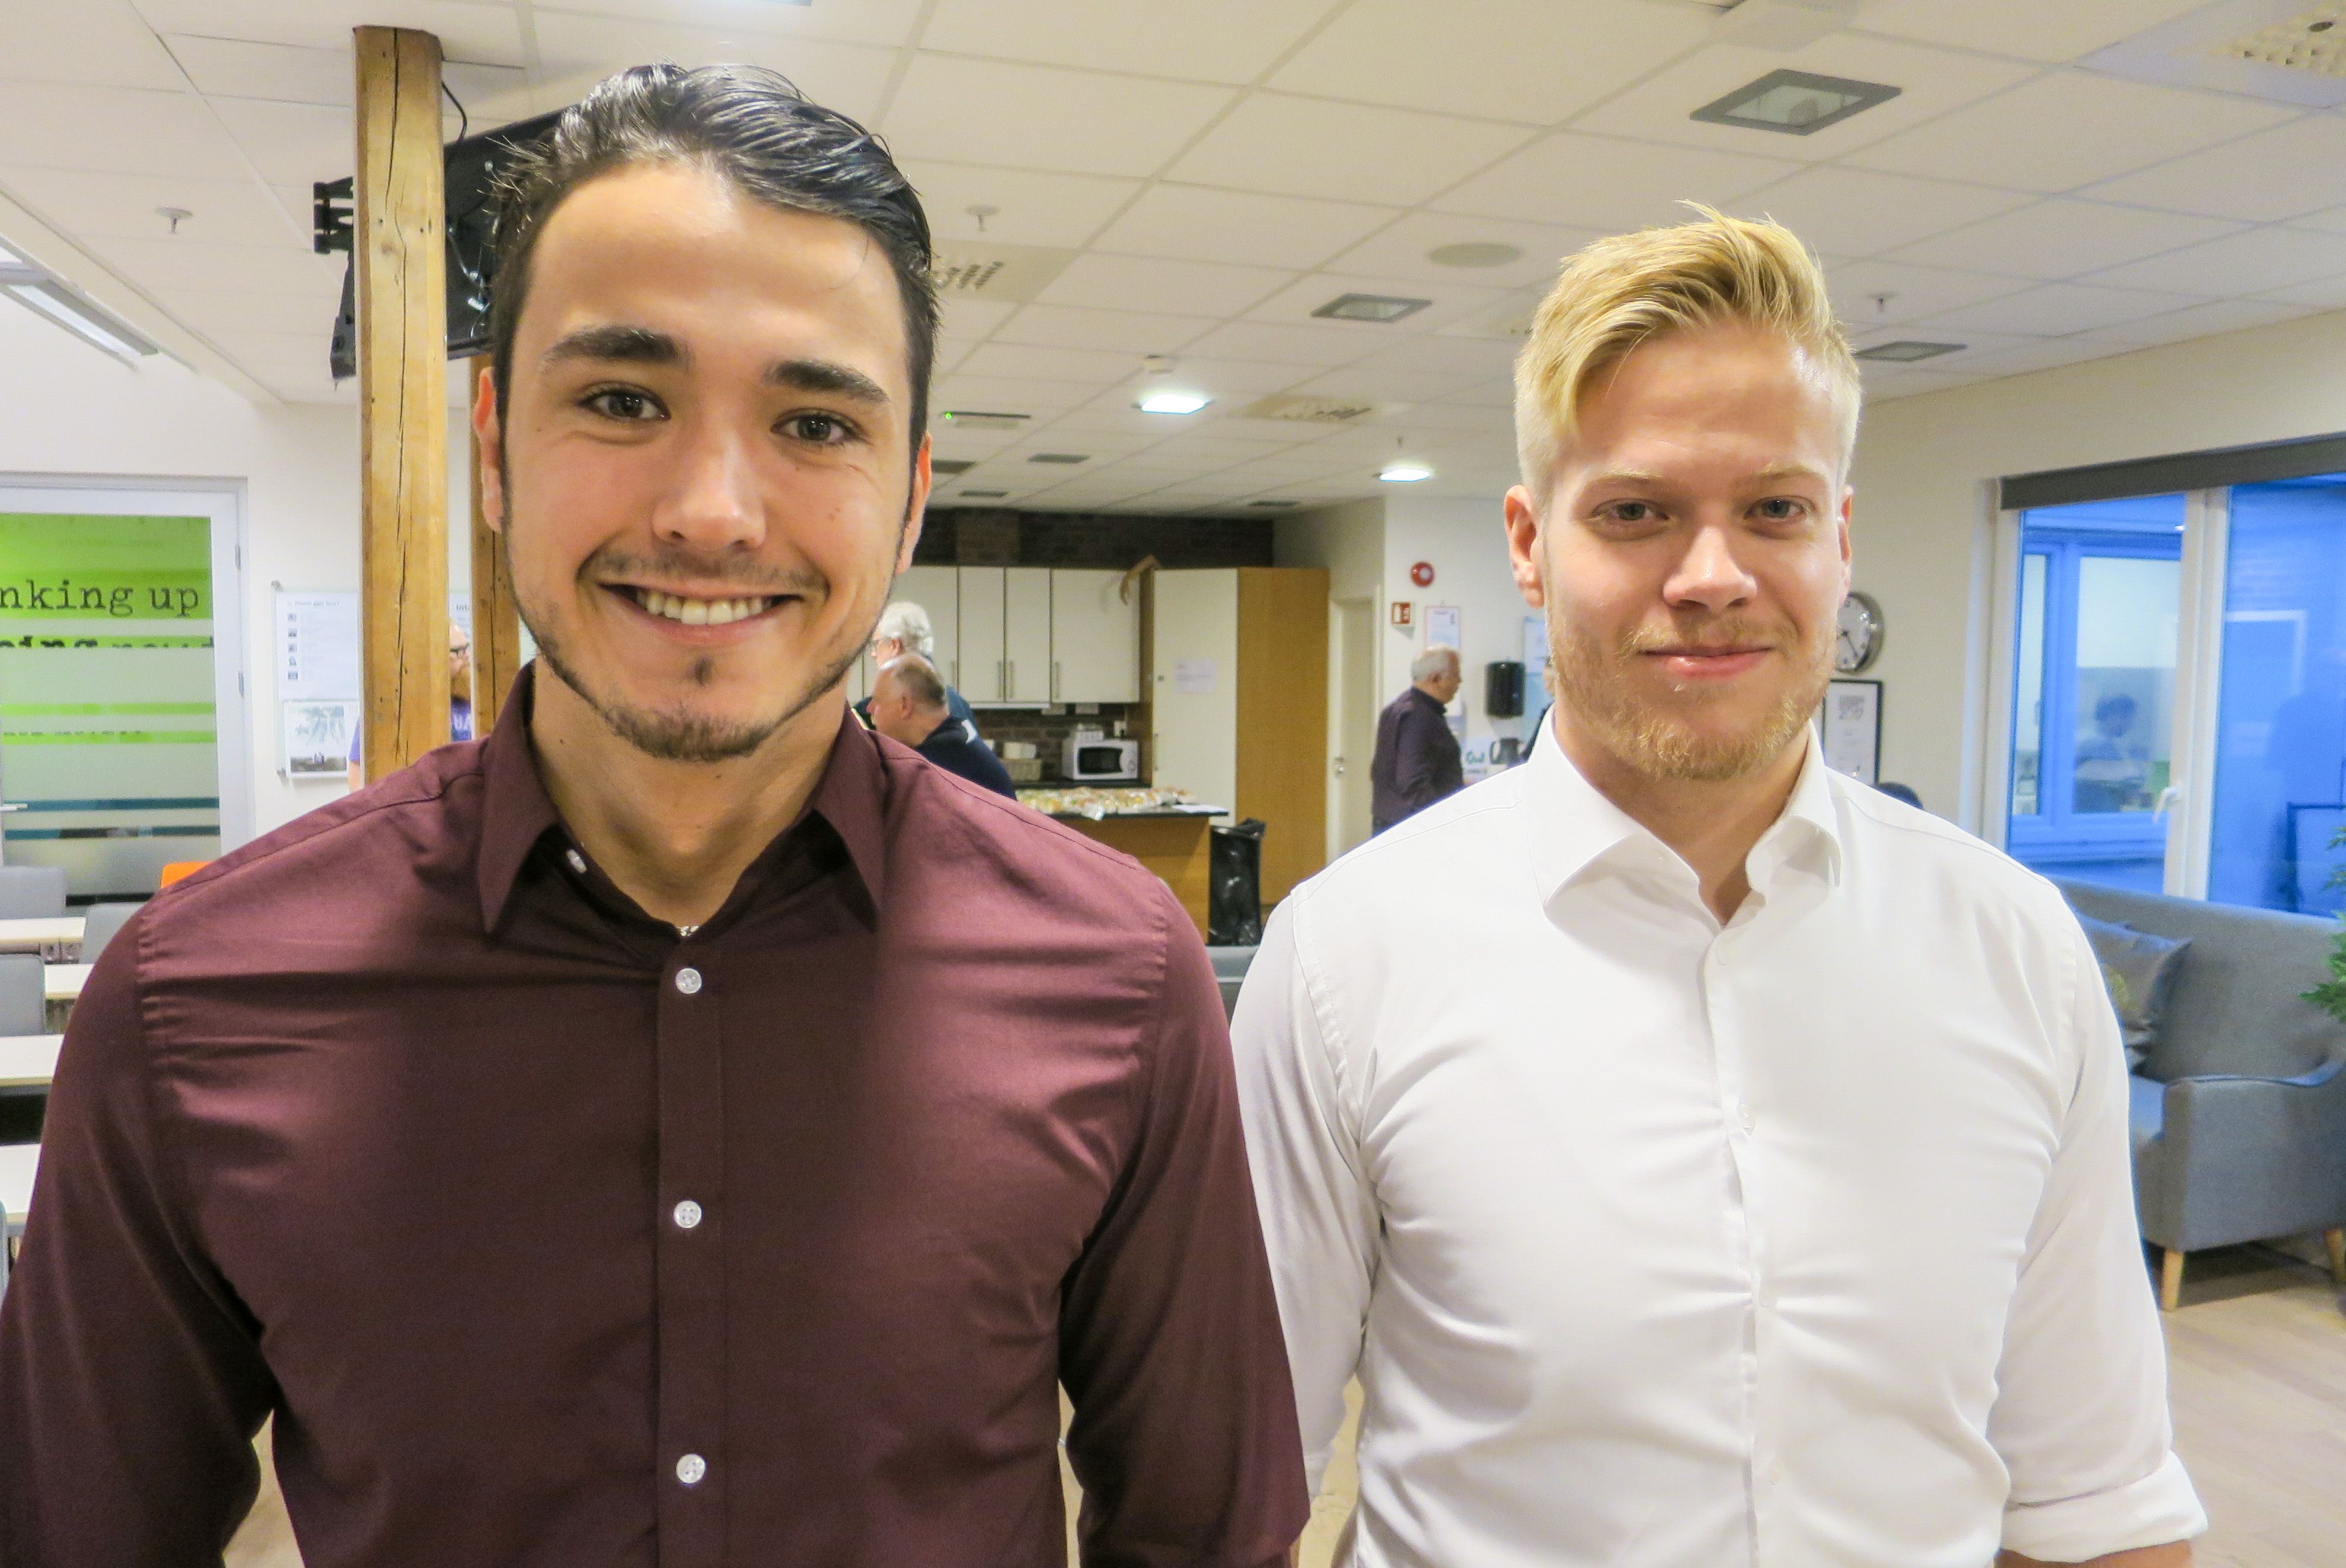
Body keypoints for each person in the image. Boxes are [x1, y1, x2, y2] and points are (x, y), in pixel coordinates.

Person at [0, 65, 1306, 1567]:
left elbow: (1209, 1535)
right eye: (623, 400)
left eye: (814, 420)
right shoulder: (193, 1003)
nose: (712, 511)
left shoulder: (1116, 975)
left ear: (908, 497)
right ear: (494, 444)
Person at [1233, 212, 2201, 1568]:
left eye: (1773, 509)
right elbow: (1233, 1493)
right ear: (1528, 540)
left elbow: (2096, 1501)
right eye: (1635, 511)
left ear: (1837, 535)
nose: (1711, 577)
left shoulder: (2013, 947)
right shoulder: (1346, 957)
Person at [346, 618, 475, 787]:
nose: (467, 657)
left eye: (466, 648)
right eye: (458, 652)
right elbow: (358, 767)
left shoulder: (475, 700)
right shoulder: (394, 705)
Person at [869, 653, 1015, 799]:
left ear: (905, 705)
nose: (869, 708)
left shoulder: (934, 764)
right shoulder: (955, 735)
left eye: (877, 701)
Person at [1368, 646, 1464, 831]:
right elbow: (1413, 782)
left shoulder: (1397, 709)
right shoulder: (1419, 717)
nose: (1460, 681)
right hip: (1413, 827)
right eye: (1456, 675)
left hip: (1393, 822)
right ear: (1435, 679)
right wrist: (1444, 819)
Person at [861, 599, 976, 740]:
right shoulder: (958, 702)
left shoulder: (911, 704)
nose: (873, 654)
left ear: (894, 646)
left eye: (876, 644)